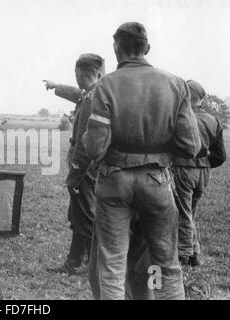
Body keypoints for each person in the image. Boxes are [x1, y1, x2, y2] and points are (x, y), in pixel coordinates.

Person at [82, 22, 201, 300]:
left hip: (114, 182)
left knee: (111, 266)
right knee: (167, 266)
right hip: (157, 181)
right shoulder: (175, 84)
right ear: (146, 48)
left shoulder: (106, 84)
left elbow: (96, 148)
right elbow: (190, 146)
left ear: (116, 48)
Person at [44, 54, 105, 275]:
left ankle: (94, 267)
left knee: (84, 216)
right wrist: (56, 86)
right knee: (78, 215)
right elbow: (76, 93)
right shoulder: (94, 93)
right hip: (91, 169)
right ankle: (74, 261)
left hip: (85, 169)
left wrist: (75, 175)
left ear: (79, 73)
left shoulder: (91, 99)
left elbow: (83, 143)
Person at [173, 80, 227, 267]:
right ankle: (194, 252)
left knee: (183, 212)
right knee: (190, 212)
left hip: (183, 168)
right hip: (203, 172)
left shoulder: (181, 117)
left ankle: (185, 253)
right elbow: (220, 156)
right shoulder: (213, 120)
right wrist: (203, 163)